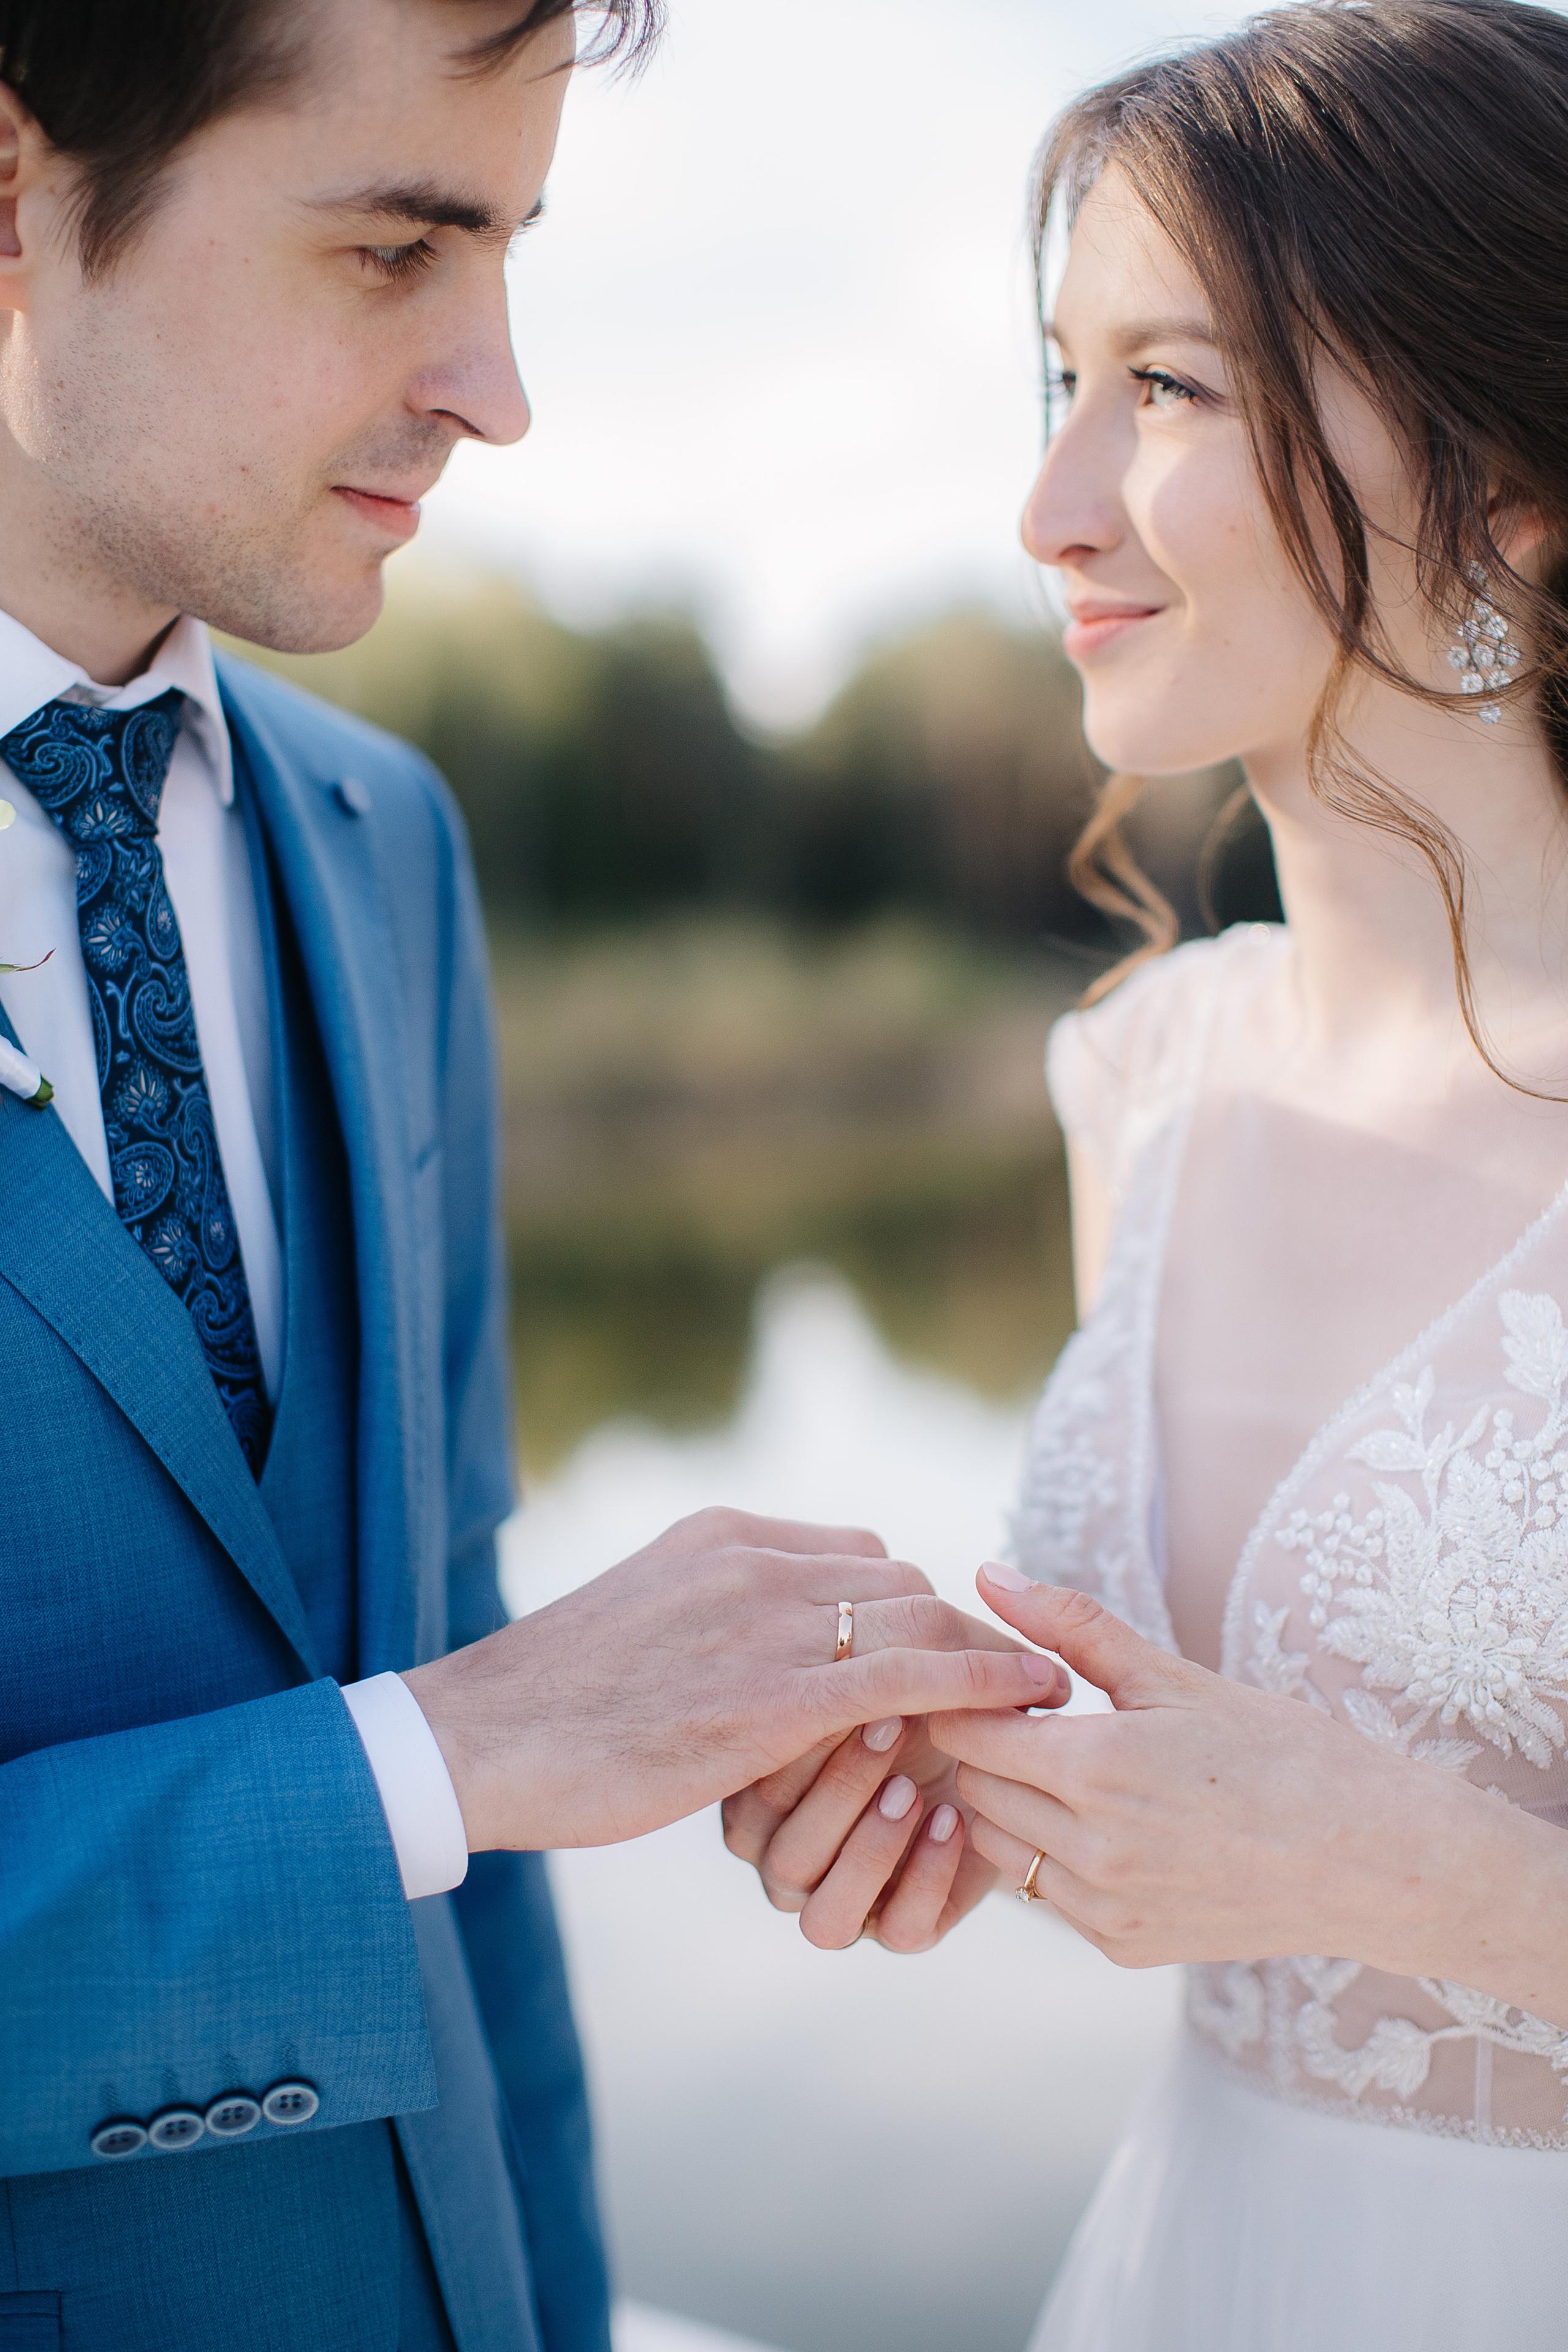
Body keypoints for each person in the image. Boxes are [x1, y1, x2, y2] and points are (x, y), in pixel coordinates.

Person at [0, 4, 1074, 2345]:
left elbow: (479, 1858)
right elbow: (461, 1748)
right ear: (14, 195)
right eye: (396, 248)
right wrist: (436, 1760)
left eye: (512, 253)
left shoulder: (388, 848)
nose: (499, 387)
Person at [723, 2, 1568, 2342]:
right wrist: (952, 1797)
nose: (1049, 507)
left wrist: (1435, 1881)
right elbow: (1206, 1784)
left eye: (1170, 389)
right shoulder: (1145, 1074)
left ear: (1510, 476)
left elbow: (1371, 1842)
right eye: (1056, 383)